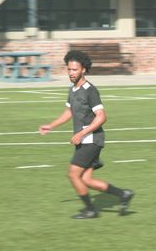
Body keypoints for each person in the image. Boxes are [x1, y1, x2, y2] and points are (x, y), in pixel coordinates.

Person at [39, 50, 135, 219]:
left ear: (83, 69)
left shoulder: (90, 90)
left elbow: (102, 117)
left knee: (73, 174)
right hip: (85, 140)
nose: (71, 73)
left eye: (74, 70)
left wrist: (82, 133)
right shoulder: (73, 88)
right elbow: (69, 111)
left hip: (92, 139)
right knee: (87, 180)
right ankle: (123, 194)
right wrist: (51, 126)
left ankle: (91, 210)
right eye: (69, 69)